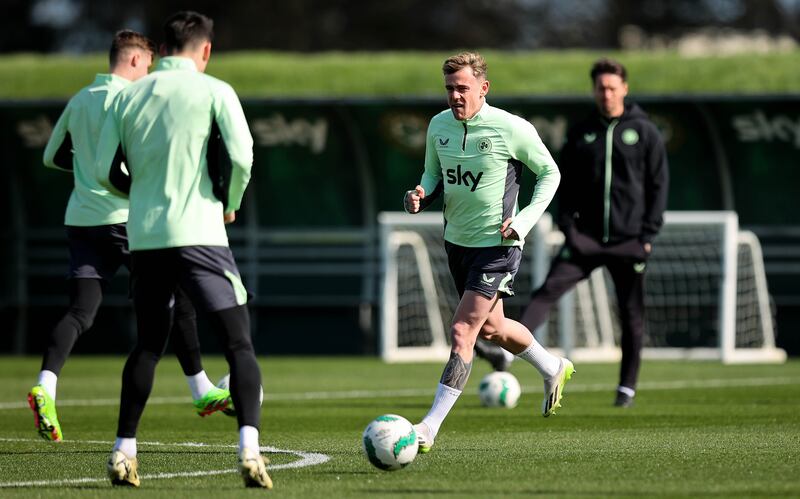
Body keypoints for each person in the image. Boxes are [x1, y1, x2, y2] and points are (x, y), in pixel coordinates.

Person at [95, 11, 270, 489]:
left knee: (149, 345)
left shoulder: (128, 95)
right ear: (205, 50)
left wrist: (145, 195)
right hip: (201, 234)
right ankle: (250, 450)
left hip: (147, 238)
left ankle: (123, 450)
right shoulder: (215, 90)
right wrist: (228, 203)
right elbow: (240, 155)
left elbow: (108, 171)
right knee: (238, 344)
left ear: (164, 47)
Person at [30, 29, 231, 444]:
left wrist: (86, 173)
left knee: (81, 312)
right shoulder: (131, 99)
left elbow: (51, 157)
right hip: (126, 218)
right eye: (149, 67)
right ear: (137, 61)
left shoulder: (81, 99)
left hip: (81, 219)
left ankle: (45, 385)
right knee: (176, 296)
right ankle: (201, 389)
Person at [403, 52, 574, 454]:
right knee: (494, 329)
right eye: (449, 89)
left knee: (464, 331)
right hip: (457, 244)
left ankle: (428, 428)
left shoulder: (511, 128)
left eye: (462, 88)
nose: (455, 96)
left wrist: (525, 220)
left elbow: (551, 173)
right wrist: (420, 193)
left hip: (499, 246)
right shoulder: (438, 126)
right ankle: (553, 367)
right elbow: (433, 172)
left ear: (483, 88)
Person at [520, 58, 669, 408]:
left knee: (631, 315)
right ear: (594, 90)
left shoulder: (645, 132)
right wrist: (568, 227)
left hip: (629, 241)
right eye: (601, 88)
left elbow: (658, 185)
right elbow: (561, 180)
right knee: (545, 292)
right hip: (584, 240)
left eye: (612, 87)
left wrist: (647, 234)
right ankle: (507, 356)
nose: (606, 93)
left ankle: (626, 389)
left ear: (624, 89)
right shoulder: (581, 131)